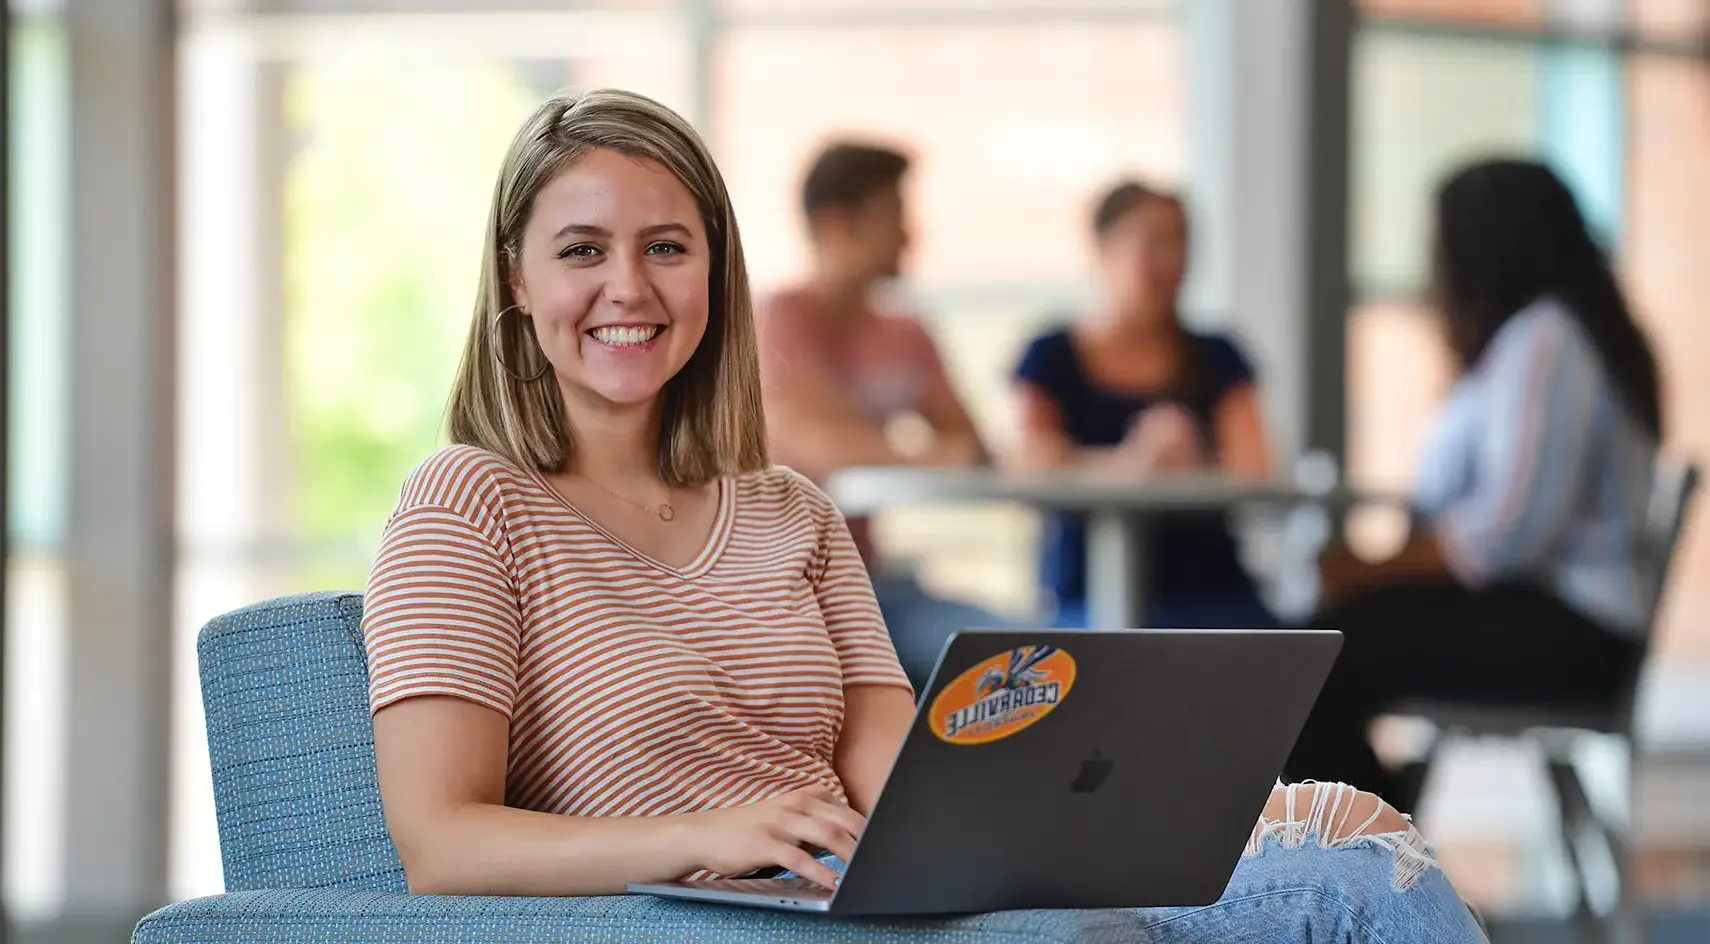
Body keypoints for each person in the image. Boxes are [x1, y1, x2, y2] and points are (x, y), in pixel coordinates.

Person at [359, 88, 1487, 941]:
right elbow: (438, 841)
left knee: (1343, 822)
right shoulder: (469, 501)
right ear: (514, 277)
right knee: (1355, 872)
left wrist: (1077, 807)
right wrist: (700, 835)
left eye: (667, 247)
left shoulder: (790, 511)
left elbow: (904, 769)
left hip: (885, 890)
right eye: (581, 251)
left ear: (714, 271)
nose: (630, 288)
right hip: (733, 907)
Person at [1285, 159, 1663, 813]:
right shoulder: (1546, 338)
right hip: (1550, 617)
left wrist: (1368, 568)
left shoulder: (1549, 341)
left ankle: (1375, 855)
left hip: (1571, 633)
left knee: (1310, 663)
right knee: (1318, 647)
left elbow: (1504, 535)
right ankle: (1383, 832)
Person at [755, 141, 1010, 690]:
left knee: (1028, 652)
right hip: (778, 591)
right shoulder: (778, 317)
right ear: (838, 224)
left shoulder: (906, 333)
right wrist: (930, 452)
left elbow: (971, 447)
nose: (910, 236)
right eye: (894, 216)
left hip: (870, 584)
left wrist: (917, 449)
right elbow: (814, 446)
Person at [1007, 181, 1278, 630]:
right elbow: (1026, 461)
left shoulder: (1218, 355)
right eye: (1152, 241)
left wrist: (1188, 460)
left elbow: (1256, 465)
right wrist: (1131, 463)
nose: (1169, 262)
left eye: (1180, 242)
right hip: (1083, 595)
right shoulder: (1051, 354)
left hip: (1211, 592)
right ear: (1102, 248)